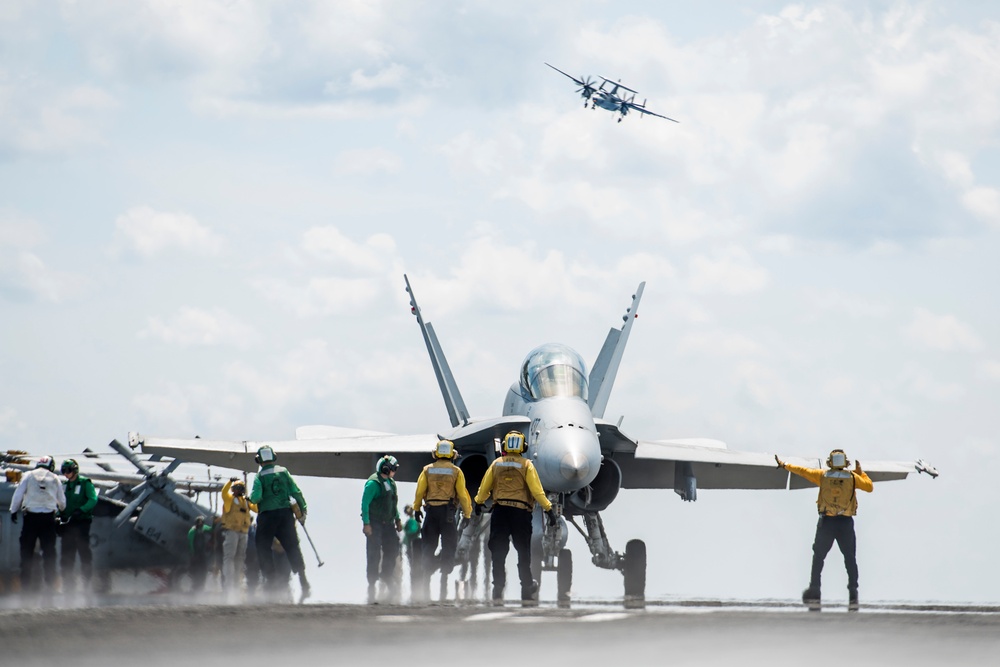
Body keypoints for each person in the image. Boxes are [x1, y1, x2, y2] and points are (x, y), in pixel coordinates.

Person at [776, 449, 873, 611]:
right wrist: (861, 473)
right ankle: (853, 593)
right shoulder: (853, 478)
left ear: (830, 462)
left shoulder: (823, 475)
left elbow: (803, 471)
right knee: (850, 558)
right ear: (845, 462)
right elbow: (869, 487)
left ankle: (815, 590)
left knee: (818, 557)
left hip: (827, 522)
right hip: (845, 523)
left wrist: (785, 465)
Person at [474, 431, 556, 606]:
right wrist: (549, 510)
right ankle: (527, 586)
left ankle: (497, 588)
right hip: (520, 514)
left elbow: (484, 487)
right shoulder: (527, 465)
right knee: (523, 553)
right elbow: (537, 491)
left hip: (500, 513)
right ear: (523, 447)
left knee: (498, 553)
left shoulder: (496, 464)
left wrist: (478, 503)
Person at [413, 439, 473, 601]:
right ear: (452, 454)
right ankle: (444, 584)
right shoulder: (456, 472)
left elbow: (419, 492)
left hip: (431, 512)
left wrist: (417, 508)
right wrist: (467, 514)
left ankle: (425, 583)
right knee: (449, 547)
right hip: (447, 514)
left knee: (428, 546)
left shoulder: (427, 470)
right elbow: (462, 495)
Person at [248, 445, 310, 598]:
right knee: (292, 546)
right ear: (273, 458)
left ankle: (271, 582)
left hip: (267, 516)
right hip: (285, 515)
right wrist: (303, 510)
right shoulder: (284, 472)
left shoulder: (259, 477)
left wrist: (249, 498)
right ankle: (304, 581)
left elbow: (256, 497)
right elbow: (296, 492)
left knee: (263, 547)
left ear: (259, 460)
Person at [9, 455, 66, 593]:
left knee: (26, 552)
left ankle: (25, 587)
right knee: (49, 553)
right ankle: (50, 585)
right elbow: (63, 502)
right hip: (48, 520)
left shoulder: (28, 475)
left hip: (31, 519)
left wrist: (13, 511)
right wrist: (60, 510)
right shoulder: (55, 478)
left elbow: (18, 495)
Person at [361, 454, 402, 604]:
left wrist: (397, 519)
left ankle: (386, 575)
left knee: (393, 550)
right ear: (387, 468)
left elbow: (392, 504)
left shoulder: (391, 483)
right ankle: (371, 585)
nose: (395, 472)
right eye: (394, 469)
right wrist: (366, 523)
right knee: (373, 553)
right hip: (375, 523)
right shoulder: (373, 484)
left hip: (388, 523)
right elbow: (365, 504)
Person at [58, 459, 98, 594]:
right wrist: (58, 515)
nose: (66, 474)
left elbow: (93, 499)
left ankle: (86, 584)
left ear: (75, 470)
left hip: (81, 523)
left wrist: (82, 510)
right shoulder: (64, 486)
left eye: (68, 471)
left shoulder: (85, 483)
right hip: (67, 523)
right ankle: (68, 586)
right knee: (66, 555)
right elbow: (60, 502)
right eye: (63, 471)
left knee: (84, 552)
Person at [220, 476, 256, 592]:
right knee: (229, 557)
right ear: (233, 489)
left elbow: (256, 508)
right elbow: (224, 492)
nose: (239, 490)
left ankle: (237, 582)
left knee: (240, 558)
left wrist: (255, 499)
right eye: (237, 488)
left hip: (243, 533)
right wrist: (230, 481)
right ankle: (228, 581)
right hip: (232, 531)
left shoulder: (246, 502)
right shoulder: (229, 499)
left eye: (241, 488)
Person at [401, 505, 423, 602]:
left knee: (414, 569)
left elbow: (412, 531)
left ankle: (416, 592)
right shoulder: (412, 521)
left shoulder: (412, 522)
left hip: (413, 547)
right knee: (414, 569)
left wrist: (404, 528)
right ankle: (415, 592)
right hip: (412, 547)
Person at [187, 515, 214, 592]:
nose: (200, 524)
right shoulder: (192, 531)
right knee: (195, 571)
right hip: (196, 554)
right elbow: (191, 543)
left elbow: (212, 530)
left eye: (201, 522)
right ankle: (194, 587)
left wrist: (214, 523)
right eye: (198, 522)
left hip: (202, 554)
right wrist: (192, 554)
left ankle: (201, 586)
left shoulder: (204, 528)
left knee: (203, 570)